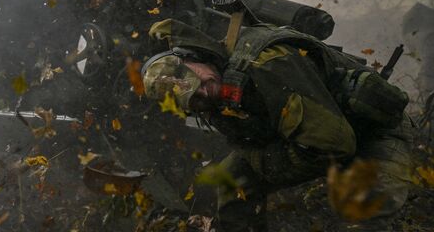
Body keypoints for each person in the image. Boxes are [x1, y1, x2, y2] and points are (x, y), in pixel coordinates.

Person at [141, 18, 413, 231]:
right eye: (193, 99)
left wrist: (262, 162)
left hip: (370, 131)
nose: (203, 94)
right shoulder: (214, 91)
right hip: (303, 133)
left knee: (363, 217)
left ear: (194, 56)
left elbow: (332, 144)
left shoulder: (267, 65)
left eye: (196, 82)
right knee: (231, 181)